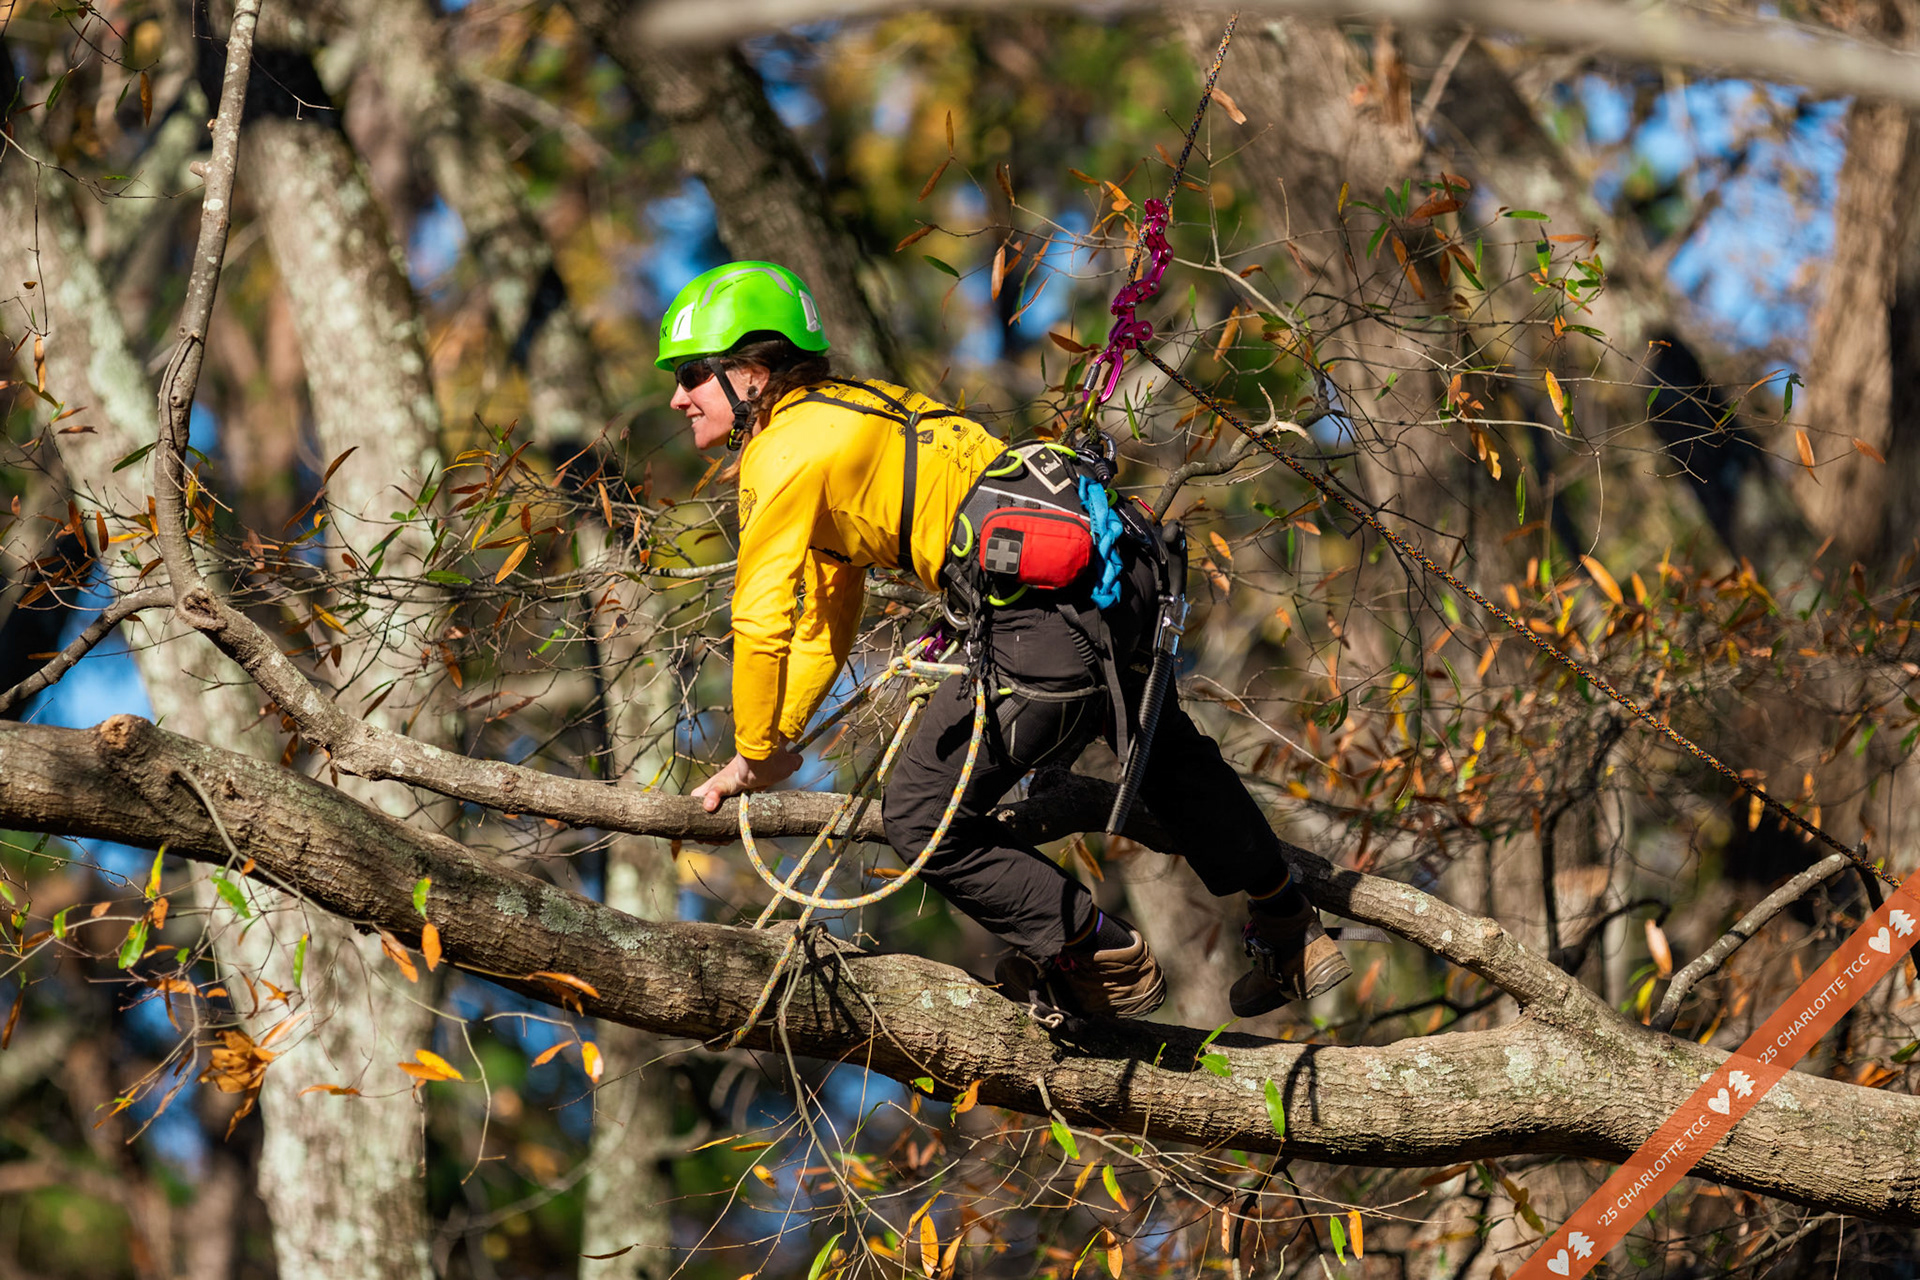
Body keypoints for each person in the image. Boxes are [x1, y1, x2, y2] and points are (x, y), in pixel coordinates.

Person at [662, 260, 1350, 1020]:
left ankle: (1099, 957)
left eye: (692, 375)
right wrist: (770, 741)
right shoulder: (858, 409)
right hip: (1117, 582)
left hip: (1038, 618)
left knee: (920, 817)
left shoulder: (781, 451)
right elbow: (828, 613)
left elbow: (761, 617)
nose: (677, 397)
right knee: (1167, 758)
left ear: (752, 373)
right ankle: (1291, 926)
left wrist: (759, 752)